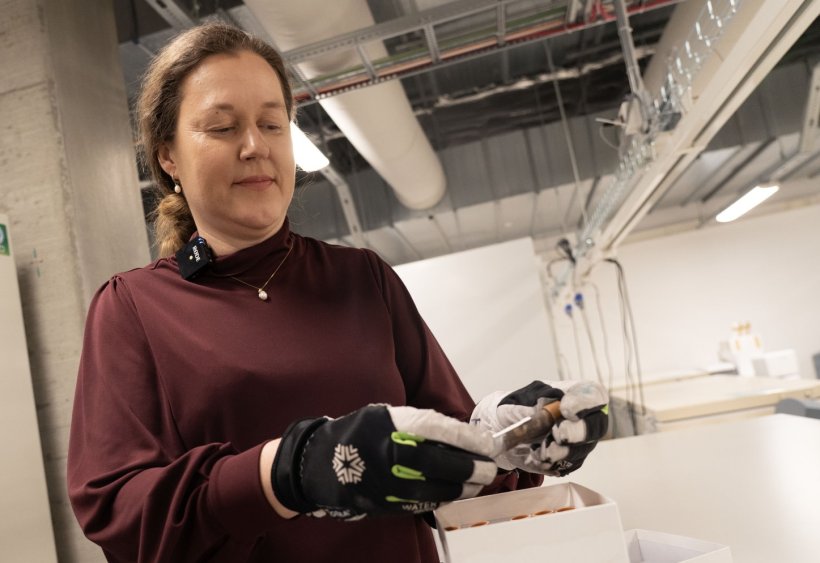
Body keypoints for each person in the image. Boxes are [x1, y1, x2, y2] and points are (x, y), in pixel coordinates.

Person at [67, 22, 608, 563]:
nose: (255, 146)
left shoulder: (362, 279)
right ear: (168, 157)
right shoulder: (134, 307)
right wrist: (285, 473)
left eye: (272, 124)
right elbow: (120, 513)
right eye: (222, 127)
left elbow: (455, 463)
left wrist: (518, 439)